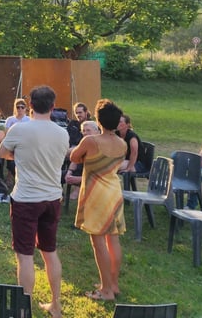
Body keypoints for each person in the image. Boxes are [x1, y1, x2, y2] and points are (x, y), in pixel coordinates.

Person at [0, 85, 69, 318]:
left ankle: (23, 309)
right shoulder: (62, 133)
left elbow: (2, 152)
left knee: (25, 255)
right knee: (50, 252)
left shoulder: (19, 129)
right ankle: (56, 305)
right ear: (52, 106)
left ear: (30, 106)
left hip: (26, 199)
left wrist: (18, 155)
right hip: (52, 198)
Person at [70, 99, 127, 301]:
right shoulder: (122, 143)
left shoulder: (90, 141)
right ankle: (114, 284)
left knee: (98, 242)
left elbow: (74, 158)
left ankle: (105, 290)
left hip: (97, 194)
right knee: (113, 238)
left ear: (99, 121)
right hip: (114, 192)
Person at [64, 121, 101, 200]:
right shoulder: (84, 144)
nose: (85, 133)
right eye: (83, 131)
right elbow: (74, 161)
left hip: (92, 177)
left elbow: (99, 174)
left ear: (97, 132)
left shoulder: (101, 147)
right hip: (79, 173)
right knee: (57, 176)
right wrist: (69, 172)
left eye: (88, 130)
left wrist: (79, 179)